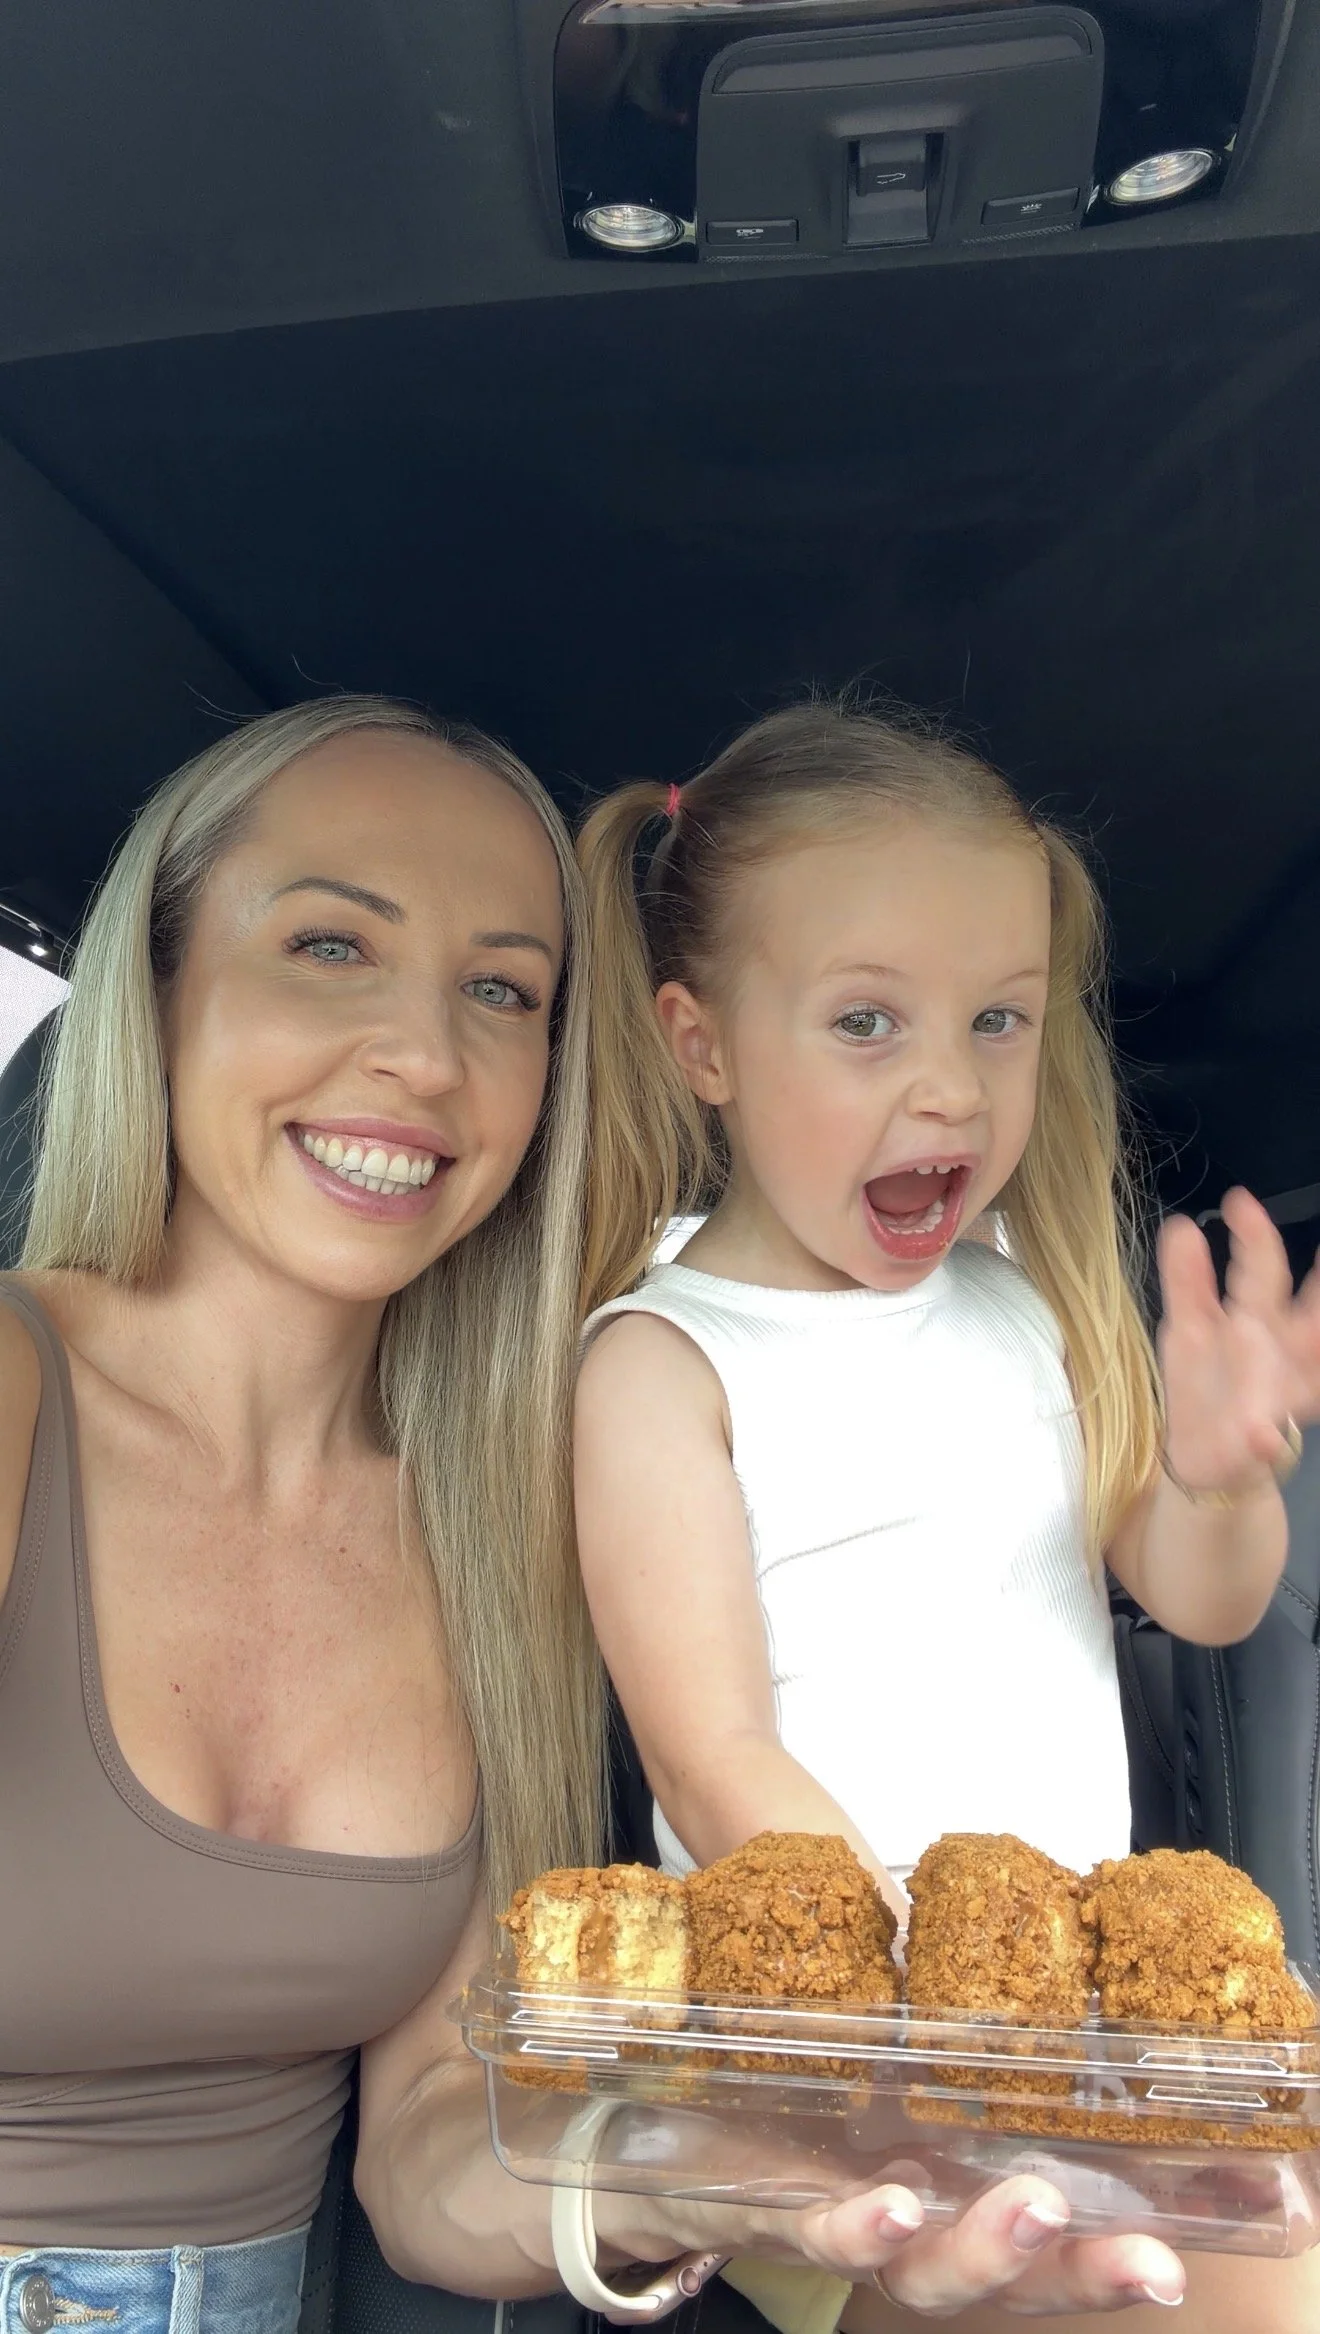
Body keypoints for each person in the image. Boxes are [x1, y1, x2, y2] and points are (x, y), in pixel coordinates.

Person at [0, 694, 1191, 2334]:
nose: (425, 1053)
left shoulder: (492, 1525)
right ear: (158, 982)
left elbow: (423, 2152)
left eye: (501, 989)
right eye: (332, 946)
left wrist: (674, 2169)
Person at [573, 701, 1320, 2332]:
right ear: (700, 1045)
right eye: (866, 1024)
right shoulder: (662, 1362)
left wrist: (1223, 1477)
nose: (952, 1089)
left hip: (1054, 2050)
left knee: (1280, 2262)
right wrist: (963, 2025)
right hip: (828, 2079)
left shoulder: (1027, 1306)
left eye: (998, 1020)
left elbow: (1197, 1597)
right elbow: (717, 1759)